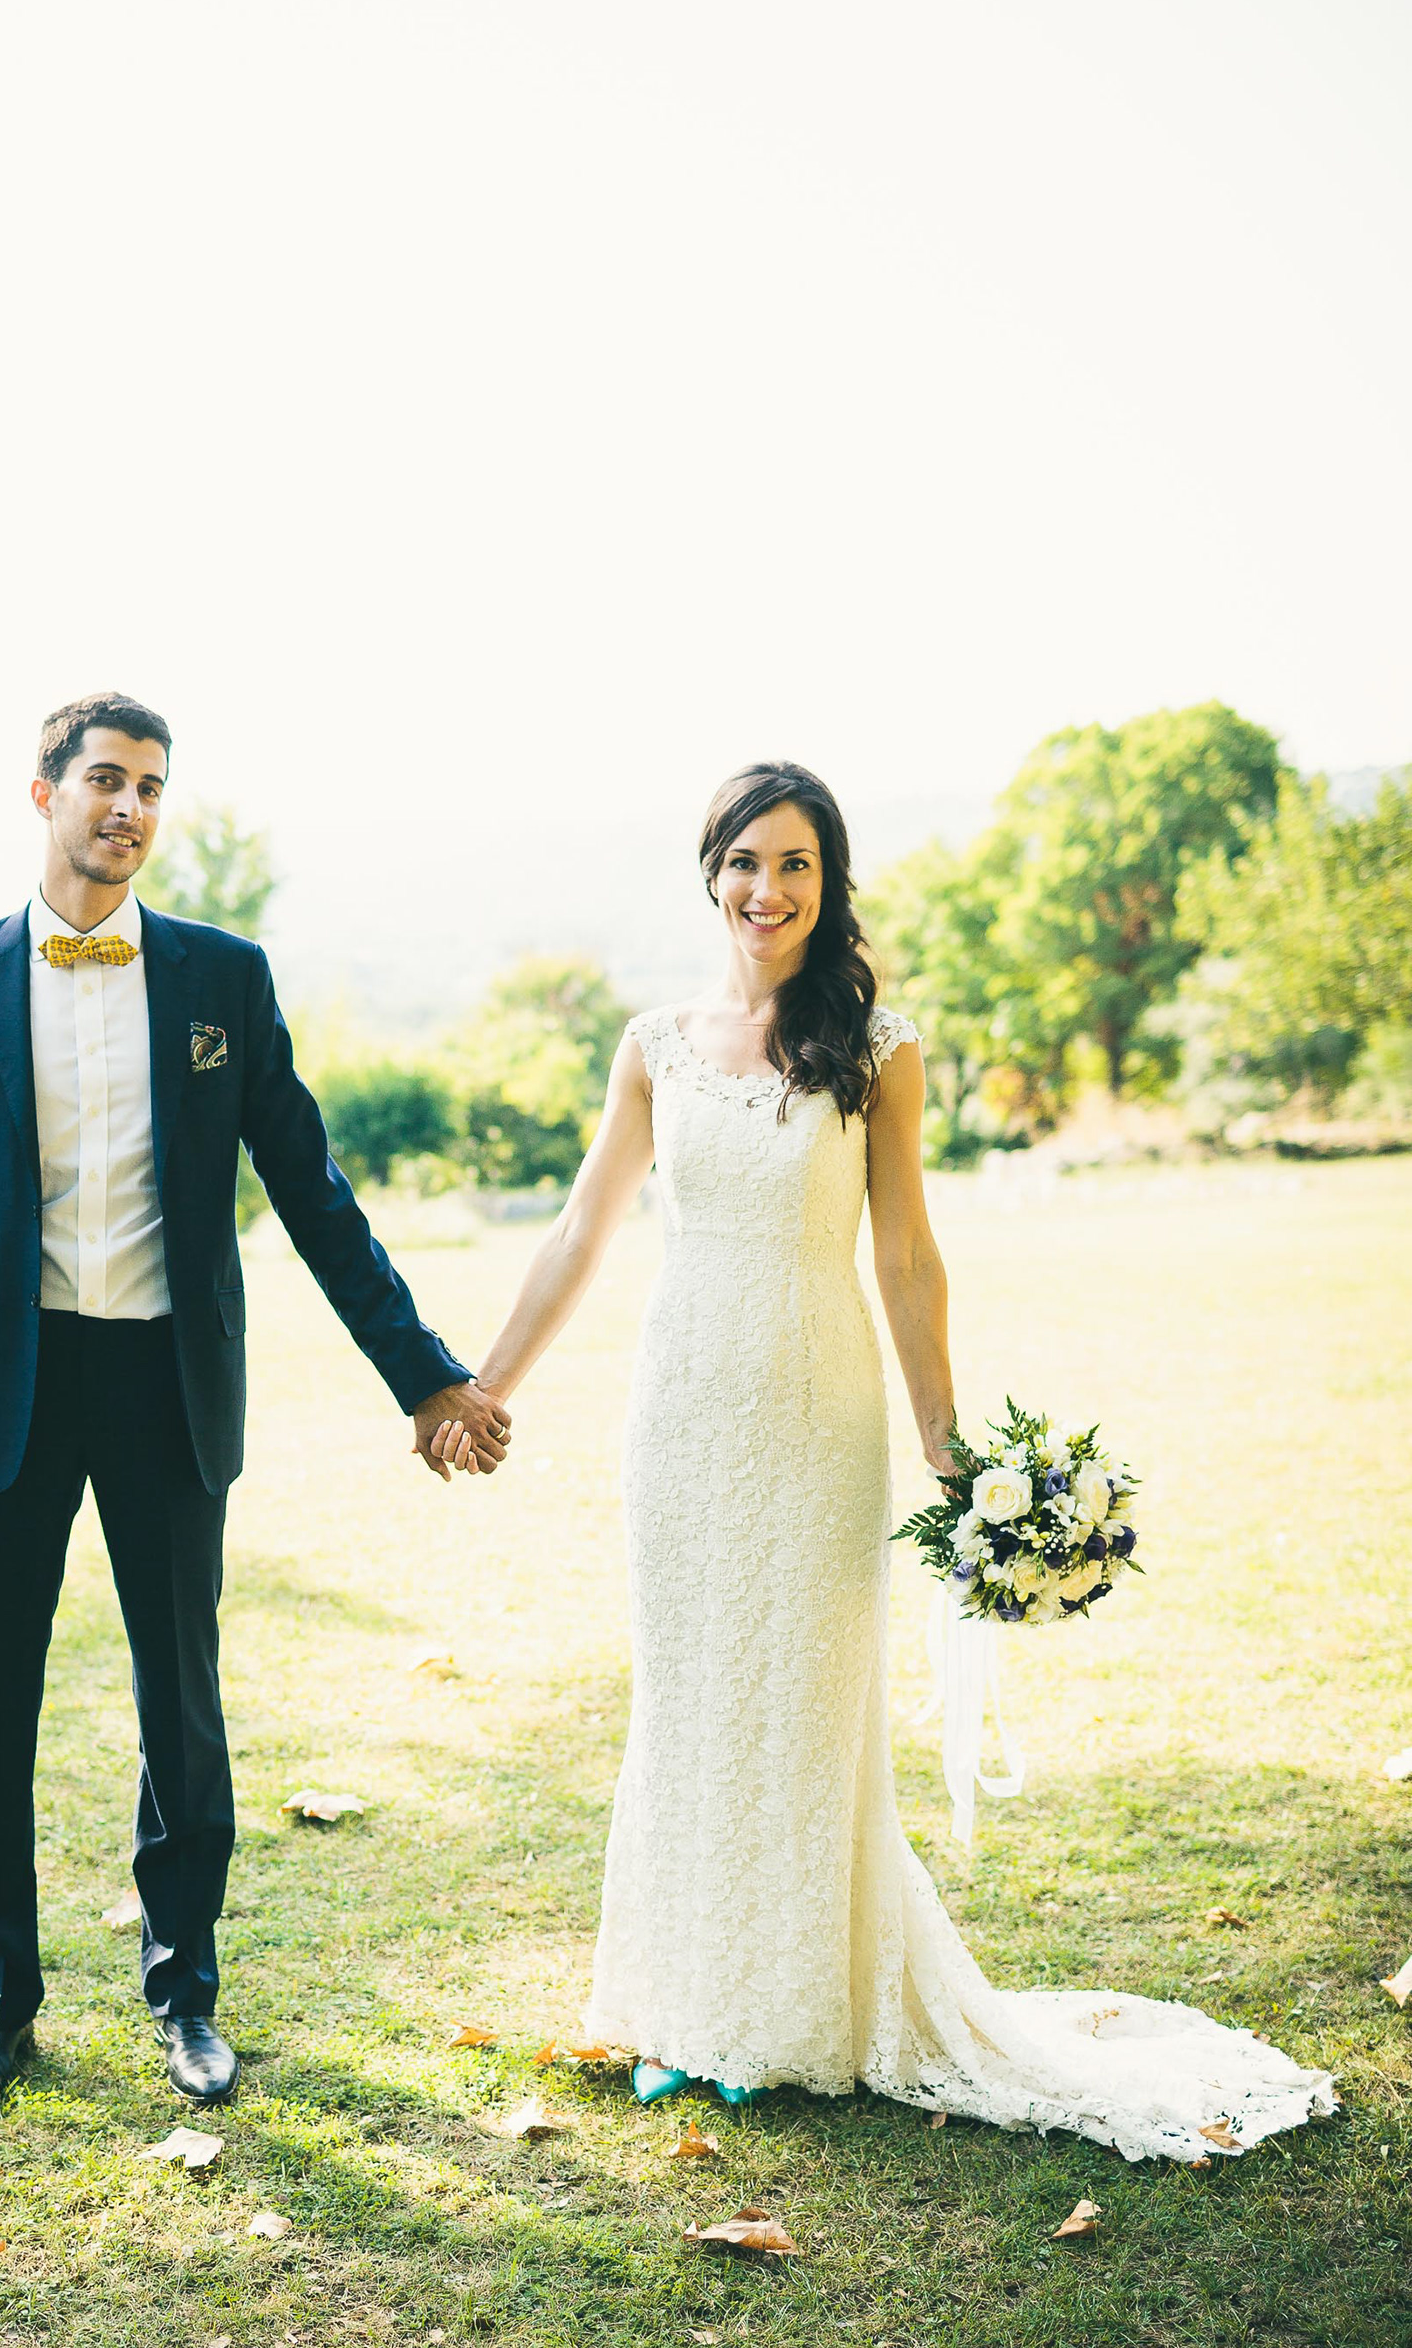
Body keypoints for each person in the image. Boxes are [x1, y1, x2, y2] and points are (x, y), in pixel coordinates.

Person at [435, 759, 1333, 2162]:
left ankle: (781, 2022)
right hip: (679, 1412)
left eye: (795, 866)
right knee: (690, 1701)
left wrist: (945, 1437)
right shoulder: (653, 1044)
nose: (767, 891)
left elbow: (907, 1252)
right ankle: (684, 2007)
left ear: (827, 884)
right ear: (709, 872)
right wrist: (484, 1382)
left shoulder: (876, 1046)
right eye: (745, 862)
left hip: (817, 1408)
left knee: (800, 1704)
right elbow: (579, 1229)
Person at [0, 691, 509, 2118]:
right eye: (104, 780)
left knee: (184, 1703)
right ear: (41, 794)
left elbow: (313, 1192)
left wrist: (423, 1372)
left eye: (152, 787)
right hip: (9, 1398)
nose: (129, 807)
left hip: (170, 1384)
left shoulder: (224, 980)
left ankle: (188, 1998)